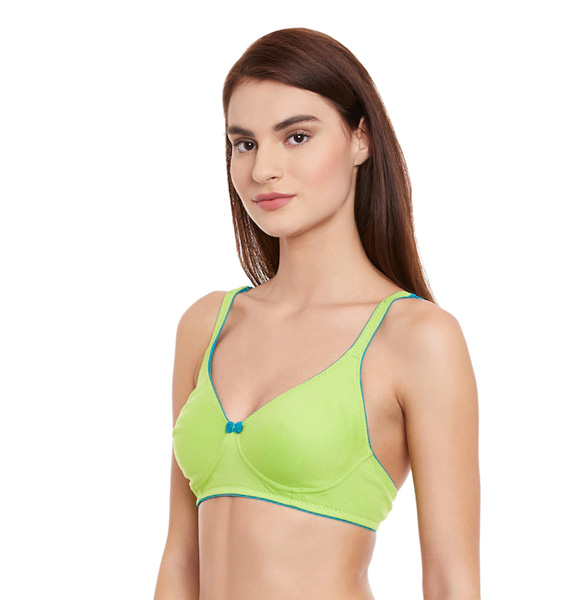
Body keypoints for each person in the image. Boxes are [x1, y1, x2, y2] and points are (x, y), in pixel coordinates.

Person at [154, 27, 480, 600]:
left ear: (361, 140)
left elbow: (452, 582)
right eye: (244, 144)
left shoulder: (416, 338)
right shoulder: (207, 324)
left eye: (297, 137)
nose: (263, 169)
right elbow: (180, 560)